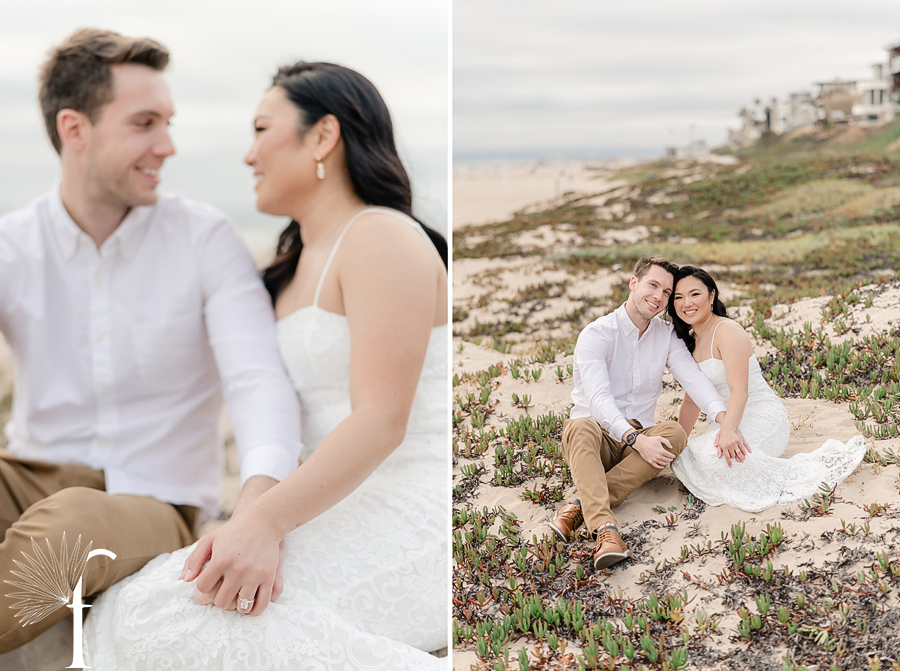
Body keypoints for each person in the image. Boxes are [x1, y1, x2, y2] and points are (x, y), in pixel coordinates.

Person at [83, 61, 449, 669]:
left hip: (412, 501)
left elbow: (383, 419)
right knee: (130, 605)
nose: (249, 154)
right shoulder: (290, 267)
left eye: (261, 129)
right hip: (323, 496)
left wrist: (264, 524)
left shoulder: (381, 235)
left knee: (177, 625)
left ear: (323, 136)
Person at [0, 29, 301, 653]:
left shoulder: (204, 238)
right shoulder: (13, 244)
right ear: (74, 129)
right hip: (26, 474)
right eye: (144, 123)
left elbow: (255, 378)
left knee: (71, 527)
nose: (167, 146)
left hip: (148, 499)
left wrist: (259, 509)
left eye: (167, 122)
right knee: (51, 516)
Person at [549, 256, 745, 570]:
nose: (659, 296)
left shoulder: (665, 335)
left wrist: (725, 421)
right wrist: (635, 439)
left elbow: (693, 379)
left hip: (636, 441)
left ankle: (577, 507)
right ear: (634, 283)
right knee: (580, 424)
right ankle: (606, 530)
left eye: (667, 292)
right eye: (653, 285)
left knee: (675, 433)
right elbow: (598, 399)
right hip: (595, 439)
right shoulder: (596, 334)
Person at [667, 265, 866, 510]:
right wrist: (677, 441)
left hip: (759, 415)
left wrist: (729, 429)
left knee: (721, 460)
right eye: (678, 297)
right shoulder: (688, 341)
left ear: (712, 295)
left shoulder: (726, 330)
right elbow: (692, 400)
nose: (687, 302)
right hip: (721, 423)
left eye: (694, 294)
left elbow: (740, 390)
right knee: (687, 458)